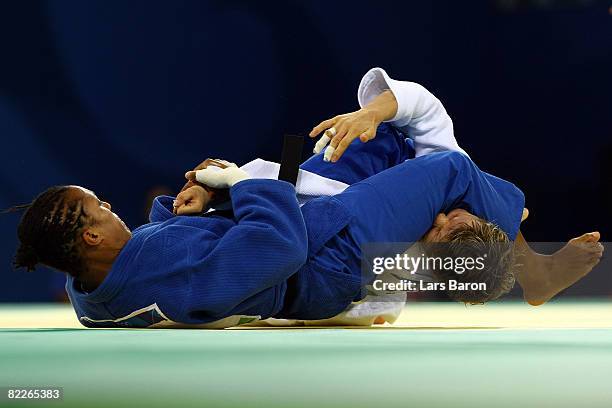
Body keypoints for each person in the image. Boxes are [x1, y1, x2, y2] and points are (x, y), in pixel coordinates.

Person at [12, 68, 603, 329]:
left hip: (328, 243)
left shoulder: (96, 290)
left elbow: (194, 259)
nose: (111, 209)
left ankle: (495, 256)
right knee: (457, 170)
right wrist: (241, 185)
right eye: (101, 210)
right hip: (328, 250)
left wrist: (189, 206)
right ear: (88, 236)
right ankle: (519, 267)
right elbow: (276, 247)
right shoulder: (149, 274)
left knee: (422, 157)